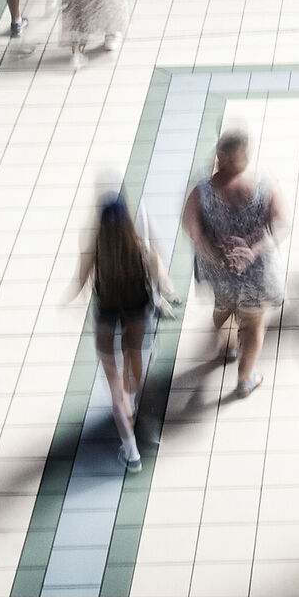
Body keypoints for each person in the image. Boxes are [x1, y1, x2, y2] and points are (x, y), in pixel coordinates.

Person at [179, 129, 287, 402]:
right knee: (253, 324)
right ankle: (245, 378)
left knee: (223, 307)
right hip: (256, 273)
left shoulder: (202, 191)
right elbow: (282, 223)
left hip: (220, 273)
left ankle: (227, 345)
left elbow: (192, 229)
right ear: (245, 155)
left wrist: (215, 254)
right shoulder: (264, 184)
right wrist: (253, 250)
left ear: (221, 156)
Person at [72, 191, 176, 470]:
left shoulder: (93, 244)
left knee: (114, 383)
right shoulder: (140, 246)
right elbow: (160, 278)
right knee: (136, 361)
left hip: (107, 314)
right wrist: (166, 291)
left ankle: (131, 452)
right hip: (138, 310)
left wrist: (69, 303)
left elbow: (80, 281)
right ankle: (142, 414)